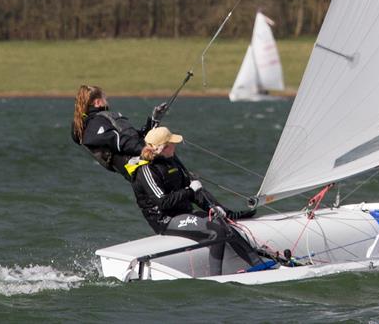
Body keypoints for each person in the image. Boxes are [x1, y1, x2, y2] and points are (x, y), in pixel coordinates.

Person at [127, 126, 264, 275]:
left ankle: (260, 265)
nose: (175, 145)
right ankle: (216, 278)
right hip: (165, 220)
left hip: (184, 214)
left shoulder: (171, 161)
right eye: (172, 143)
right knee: (216, 232)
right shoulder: (145, 170)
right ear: (162, 147)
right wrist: (189, 190)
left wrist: (216, 208)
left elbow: (195, 193)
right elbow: (164, 202)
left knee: (224, 224)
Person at [71, 84, 168, 180]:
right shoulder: (94, 124)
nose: (107, 102)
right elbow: (118, 141)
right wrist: (144, 149)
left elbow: (135, 137)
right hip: (138, 169)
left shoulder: (100, 120)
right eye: (105, 99)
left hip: (142, 166)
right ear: (97, 102)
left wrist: (154, 120)